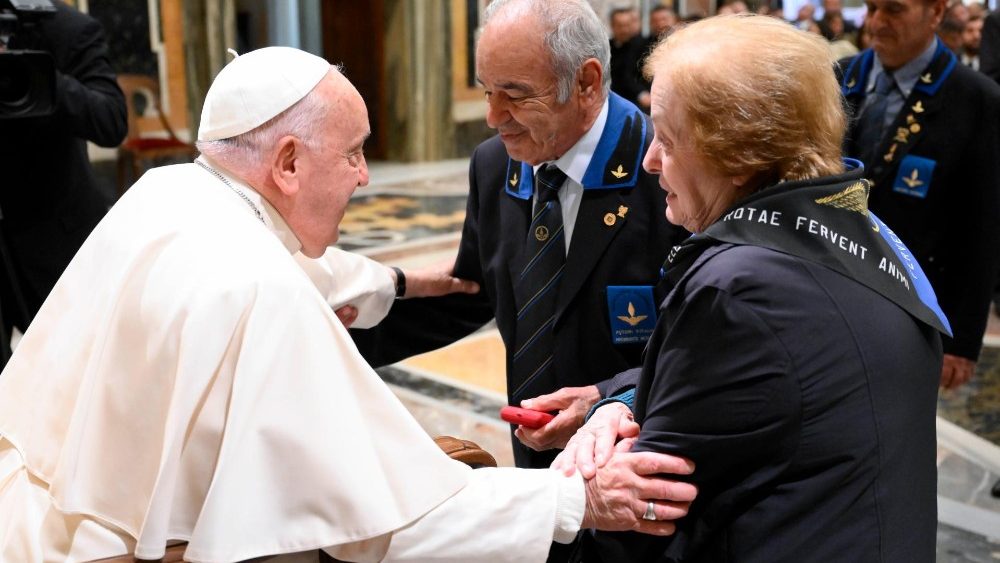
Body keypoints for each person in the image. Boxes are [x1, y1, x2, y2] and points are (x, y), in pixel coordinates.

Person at [0, 46, 700, 562]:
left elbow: (302, 263)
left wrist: (399, 283)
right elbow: (384, 523)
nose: (367, 177)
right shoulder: (259, 291)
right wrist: (579, 499)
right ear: (289, 163)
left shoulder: (172, 193)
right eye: (355, 154)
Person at [553, 14, 950, 561]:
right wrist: (616, 398)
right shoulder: (863, 235)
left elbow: (649, 513)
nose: (649, 161)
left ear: (736, 155)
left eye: (666, 139)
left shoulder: (734, 290)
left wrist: (569, 507)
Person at [352, 0, 689, 472]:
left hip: (640, 455)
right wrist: (340, 329)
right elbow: (476, 291)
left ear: (587, 83)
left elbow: (705, 347)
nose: (493, 116)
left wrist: (608, 398)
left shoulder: (665, 171)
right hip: (534, 453)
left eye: (514, 94)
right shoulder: (495, 165)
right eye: (487, 90)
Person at [840, 0, 1000, 389]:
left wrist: (962, 340)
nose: (877, 22)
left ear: (936, 12)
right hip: (831, 293)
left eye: (893, 10)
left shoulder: (976, 98)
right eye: (872, 8)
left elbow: (983, 227)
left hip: (915, 306)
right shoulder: (837, 79)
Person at [0, 0, 126, 361]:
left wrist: (35, 76)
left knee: (78, 365)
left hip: (55, 233)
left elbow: (111, 119)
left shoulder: (66, 28)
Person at [608, 7, 650, 110]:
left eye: (627, 25)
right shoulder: (606, 47)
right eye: (620, 26)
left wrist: (641, 93)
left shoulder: (644, 45)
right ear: (612, 26)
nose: (624, 30)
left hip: (637, 102)